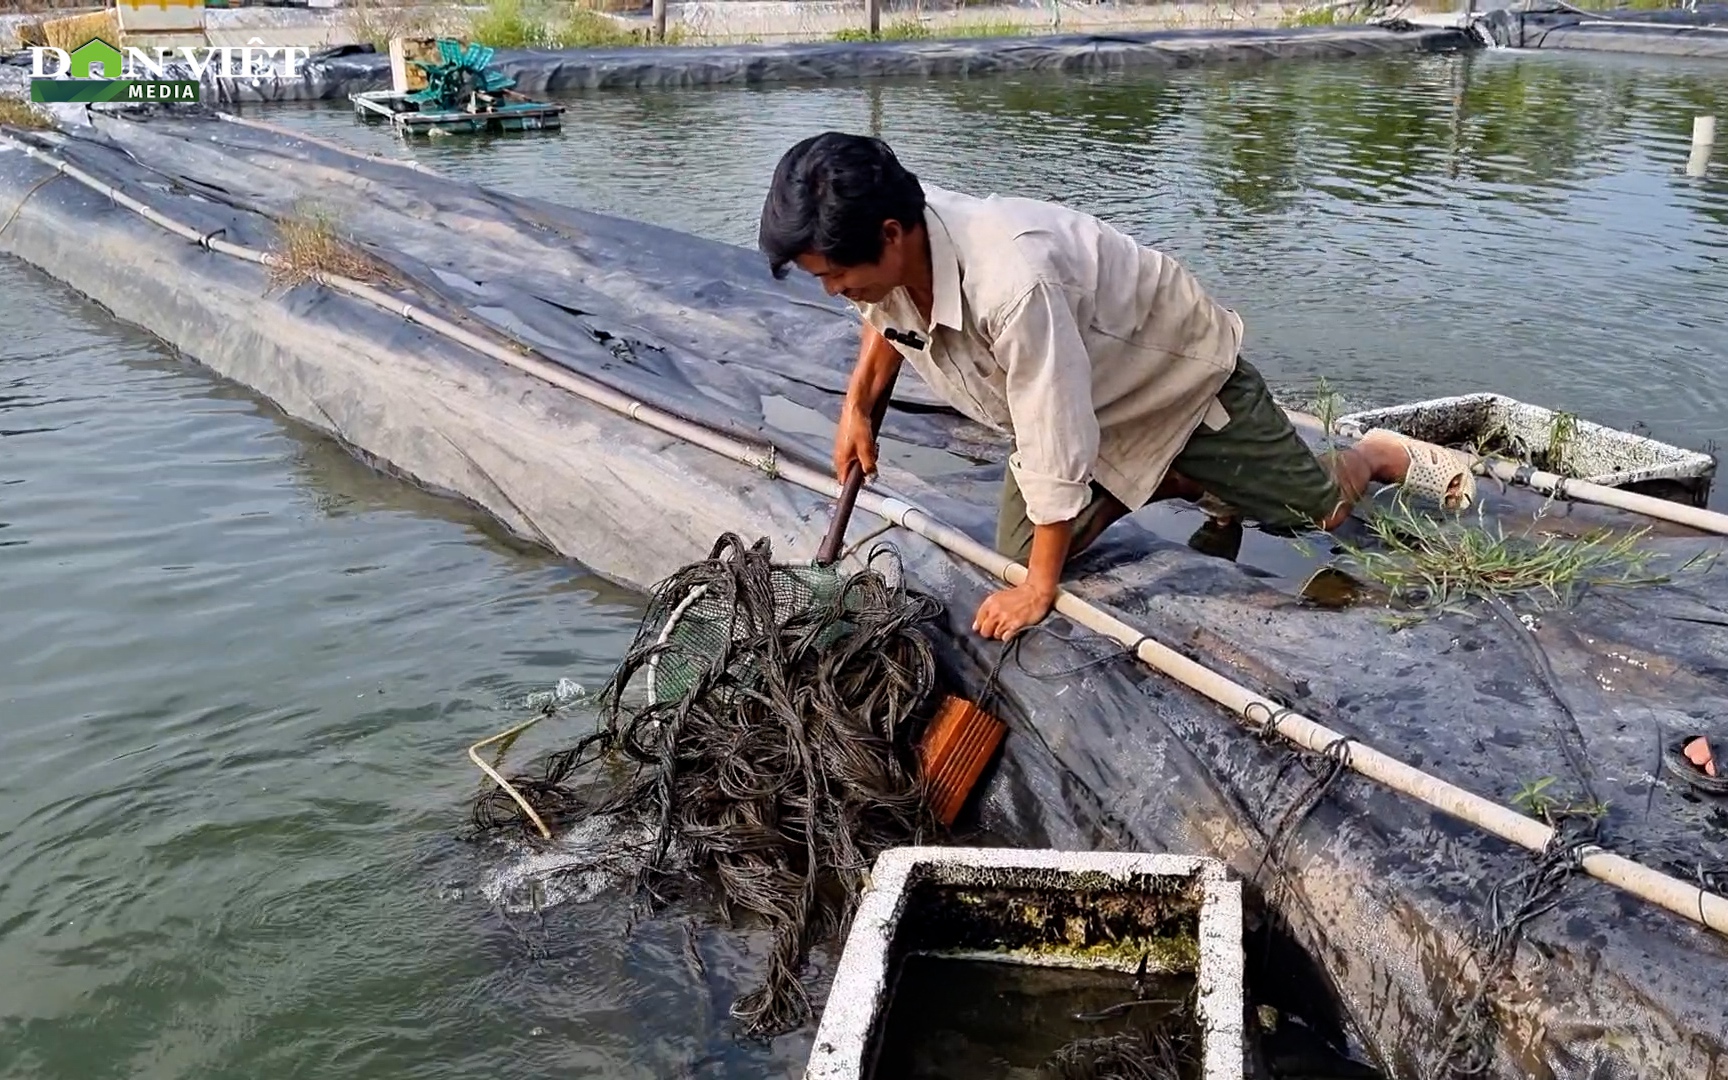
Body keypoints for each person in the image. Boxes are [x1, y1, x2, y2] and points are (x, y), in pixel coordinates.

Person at [756, 131, 1477, 642]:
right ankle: (1187, 482)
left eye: (834, 276)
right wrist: (859, 410)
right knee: (1022, 547)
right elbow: (883, 313)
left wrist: (1040, 593)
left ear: (890, 234)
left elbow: (1054, 437)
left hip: (1173, 380)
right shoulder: (895, 244)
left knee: (1313, 516)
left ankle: (1372, 455)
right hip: (1090, 391)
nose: (835, 292)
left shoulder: (1012, 284)